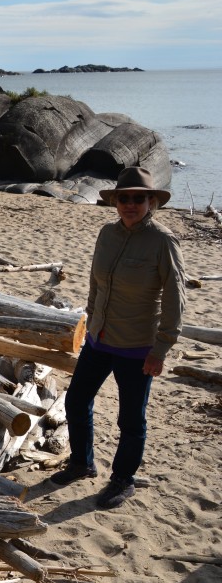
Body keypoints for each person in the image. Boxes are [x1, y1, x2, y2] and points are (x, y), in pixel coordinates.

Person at [49, 166, 186, 509]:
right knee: (76, 401)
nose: (130, 204)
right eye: (124, 198)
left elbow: (175, 298)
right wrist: (91, 320)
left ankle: (123, 479)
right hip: (99, 339)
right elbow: (96, 283)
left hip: (137, 347)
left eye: (138, 198)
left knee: (131, 419)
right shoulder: (106, 234)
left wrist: (161, 349)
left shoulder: (163, 241)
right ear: (115, 201)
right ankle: (82, 462)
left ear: (151, 201)